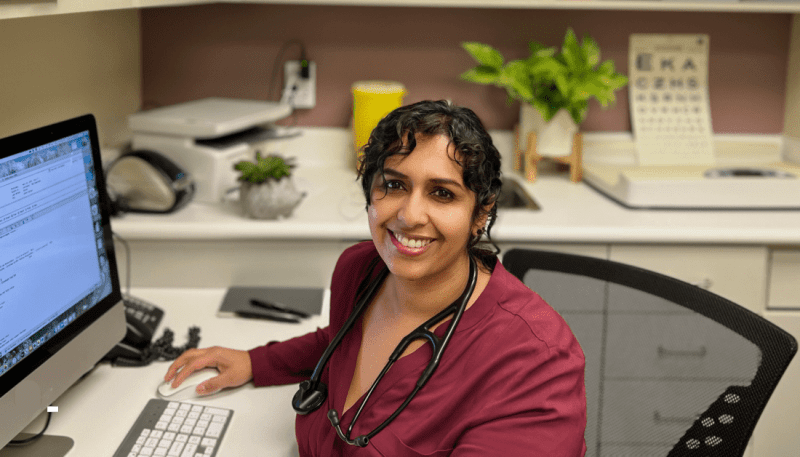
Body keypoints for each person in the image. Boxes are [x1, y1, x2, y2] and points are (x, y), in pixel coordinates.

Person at [164, 100, 587, 456]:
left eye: (442, 193)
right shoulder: (361, 269)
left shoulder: (536, 363)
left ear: (480, 214)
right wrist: (257, 362)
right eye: (394, 184)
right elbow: (338, 342)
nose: (408, 215)